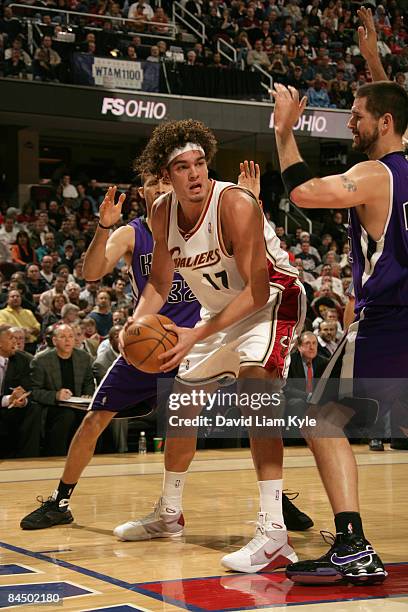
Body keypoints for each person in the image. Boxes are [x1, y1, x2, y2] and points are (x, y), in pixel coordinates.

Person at [20, 161, 310, 538]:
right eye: (153, 183)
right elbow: (93, 273)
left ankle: (276, 504)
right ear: (144, 193)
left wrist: (249, 203)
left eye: (165, 181)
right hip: (151, 342)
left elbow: (253, 267)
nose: (161, 188)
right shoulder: (135, 232)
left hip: (205, 334)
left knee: (256, 401)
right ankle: (62, 500)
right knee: (96, 418)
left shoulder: (206, 218)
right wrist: (104, 225)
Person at [113, 119, 306, 575]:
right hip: (218, 310)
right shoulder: (161, 213)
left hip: (271, 302)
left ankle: (274, 532)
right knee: (181, 408)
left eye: (200, 163)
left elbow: (257, 292)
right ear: (166, 174)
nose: (195, 173)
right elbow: (159, 283)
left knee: (256, 393)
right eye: (182, 166)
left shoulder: (235, 204)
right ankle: (169, 513)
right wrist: (137, 321)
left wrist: (195, 335)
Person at [270, 6, 405, 585]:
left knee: (319, 415)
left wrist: (283, 131)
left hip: (391, 320)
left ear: (386, 121)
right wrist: (373, 60)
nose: (351, 123)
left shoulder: (375, 177)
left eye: (357, 116)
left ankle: (351, 544)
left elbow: (302, 192)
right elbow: (396, 105)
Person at [29, 324, 95, 457]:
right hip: (53, 406)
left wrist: (88, 394)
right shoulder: (41, 360)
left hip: (78, 404)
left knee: (93, 416)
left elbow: (88, 382)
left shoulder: (84, 357)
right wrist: (56, 395)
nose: (68, 340)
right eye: (63, 337)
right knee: (67, 416)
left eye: (71, 336)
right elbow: (34, 391)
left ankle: (88, 456)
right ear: (54, 341)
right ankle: (57, 456)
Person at [0, 324, 41, 458]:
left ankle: (28, 459)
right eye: (11, 338)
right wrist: (8, 400)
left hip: (13, 409)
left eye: (17, 339)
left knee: (34, 408)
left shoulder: (23, 359)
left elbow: (28, 388)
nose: (16, 342)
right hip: (3, 404)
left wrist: (21, 399)